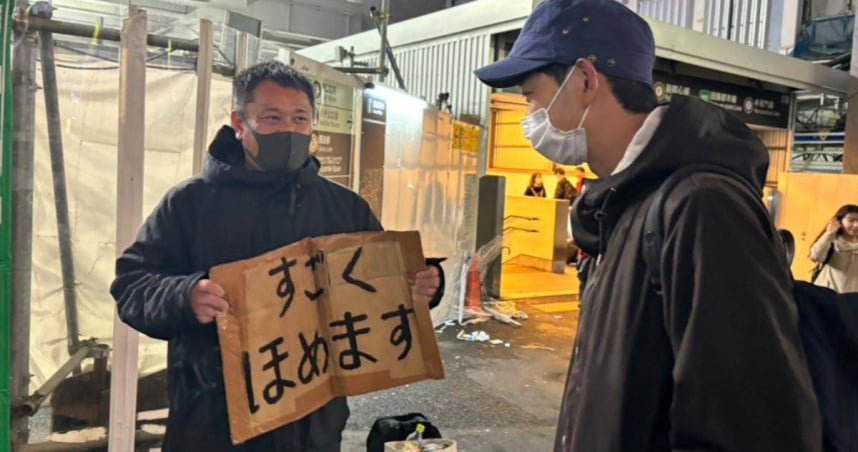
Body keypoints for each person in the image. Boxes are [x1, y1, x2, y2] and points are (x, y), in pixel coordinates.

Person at [474, 1, 821, 451]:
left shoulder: (701, 208)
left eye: (531, 94)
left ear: (584, 80)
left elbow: (754, 427)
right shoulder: (624, 206)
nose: (529, 115)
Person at [110, 61, 443, 451]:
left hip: (313, 425)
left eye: (300, 119)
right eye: (271, 118)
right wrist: (184, 295)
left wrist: (422, 285)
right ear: (239, 122)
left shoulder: (344, 208)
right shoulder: (190, 203)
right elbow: (131, 284)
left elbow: (382, 288)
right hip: (212, 423)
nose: (288, 130)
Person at [810, 204, 858, 293]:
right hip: (826, 294)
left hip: (851, 299)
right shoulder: (831, 241)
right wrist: (829, 234)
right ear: (839, 221)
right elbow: (815, 257)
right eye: (851, 220)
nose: (856, 225)